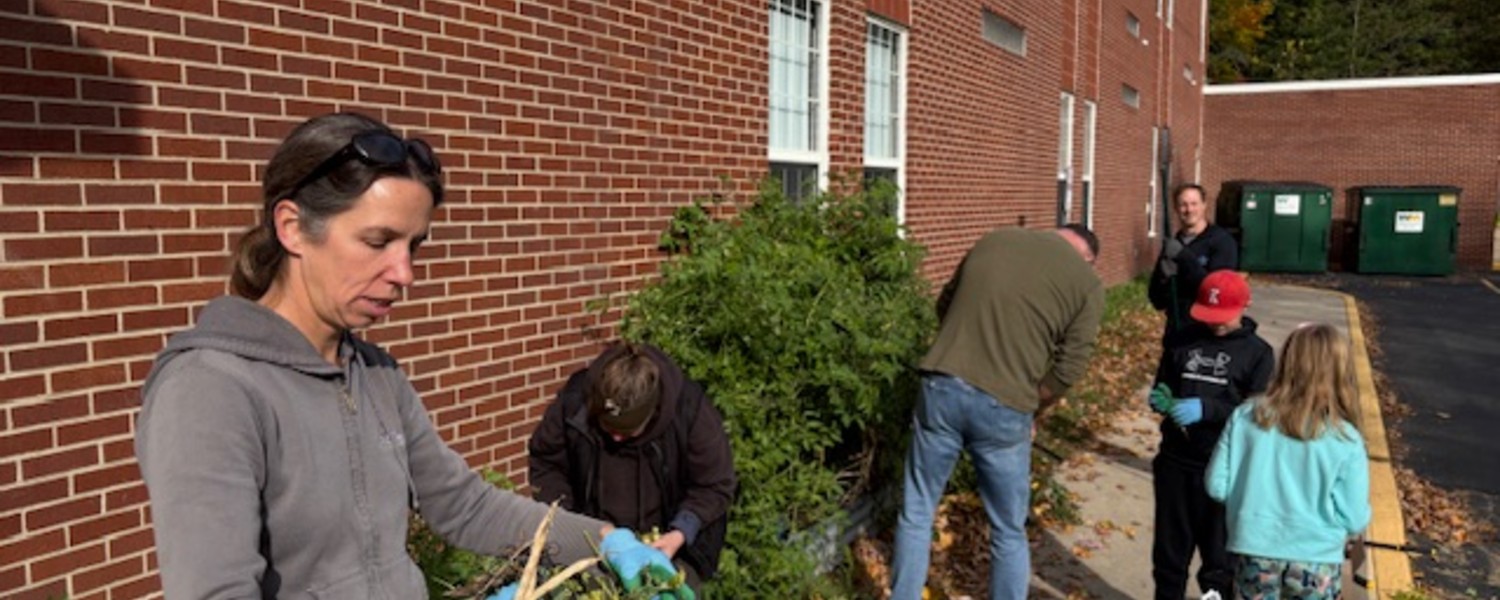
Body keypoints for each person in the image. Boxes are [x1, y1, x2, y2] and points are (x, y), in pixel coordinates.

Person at [135, 113, 633, 599]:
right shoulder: (210, 388)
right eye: (378, 241)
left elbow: (464, 506)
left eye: (413, 245)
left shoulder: (375, 376)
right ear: (292, 227)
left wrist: (605, 542)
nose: (405, 273)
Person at [890, 225, 1105, 600]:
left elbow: (945, 303)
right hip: (1006, 406)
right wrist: (1036, 405)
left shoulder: (995, 239)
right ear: (1086, 257)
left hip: (941, 385)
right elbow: (1069, 369)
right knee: (1007, 529)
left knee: (918, 509)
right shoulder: (1086, 283)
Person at [528, 341, 736, 587]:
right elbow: (546, 462)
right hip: (594, 545)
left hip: (668, 548)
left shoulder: (689, 411)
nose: (616, 438)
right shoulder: (575, 402)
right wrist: (570, 523)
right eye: (609, 428)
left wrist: (680, 532)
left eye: (628, 432)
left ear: (652, 413)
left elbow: (715, 484)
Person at [1205, 323, 1370, 600]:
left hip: (1255, 549)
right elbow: (1353, 518)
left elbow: (1216, 485)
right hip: (1317, 558)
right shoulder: (1346, 438)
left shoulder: (1246, 416)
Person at [1148, 270, 1274, 600]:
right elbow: (1165, 383)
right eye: (1210, 316)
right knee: (1169, 557)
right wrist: (1163, 397)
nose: (1216, 324)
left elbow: (1257, 412)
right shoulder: (1182, 340)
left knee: (1219, 564)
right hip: (1176, 462)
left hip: (1224, 468)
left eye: (1224, 317)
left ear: (1245, 306)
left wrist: (1209, 409)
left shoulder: (1258, 354)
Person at [1148, 183, 1238, 341]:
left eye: (1194, 204)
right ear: (1176, 208)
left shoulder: (1221, 242)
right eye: (1183, 205)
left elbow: (1216, 290)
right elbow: (1157, 300)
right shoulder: (1172, 246)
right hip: (1176, 330)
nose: (1189, 210)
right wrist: (1163, 279)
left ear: (1204, 205)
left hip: (1206, 331)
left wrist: (1184, 259)